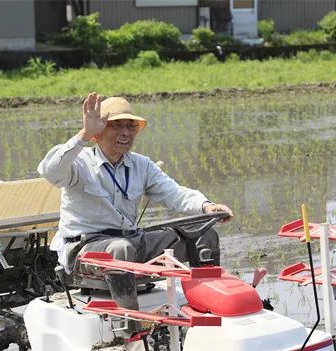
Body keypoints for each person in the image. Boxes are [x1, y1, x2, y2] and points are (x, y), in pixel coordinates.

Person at [38, 92, 233, 273]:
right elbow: (50, 172)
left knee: (205, 236)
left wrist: (206, 206)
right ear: (97, 133)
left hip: (131, 240)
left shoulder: (141, 165)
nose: (125, 133)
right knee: (121, 249)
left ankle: (207, 301)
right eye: (116, 125)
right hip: (85, 247)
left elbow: (173, 192)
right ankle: (126, 308)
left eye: (130, 126)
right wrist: (84, 134)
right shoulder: (79, 162)